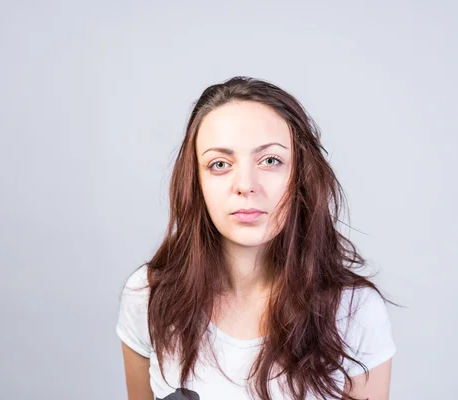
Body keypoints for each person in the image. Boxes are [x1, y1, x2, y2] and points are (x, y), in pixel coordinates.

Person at [116, 76, 397, 400]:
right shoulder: (148, 296)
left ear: (300, 176)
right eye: (220, 164)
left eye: (270, 160)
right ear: (196, 181)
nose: (246, 184)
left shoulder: (354, 311)